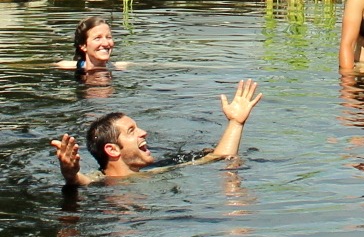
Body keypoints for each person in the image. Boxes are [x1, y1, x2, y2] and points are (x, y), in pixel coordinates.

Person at [50, 79, 262, 186]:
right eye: (132, 131)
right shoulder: (100, 181)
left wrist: (235, 123)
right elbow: (81, 181)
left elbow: (219, 158)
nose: (144, 132)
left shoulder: (156, 172)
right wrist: (70, 174)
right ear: (112, 149)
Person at [54, 16, 129, 73]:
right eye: (97, 38)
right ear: (83, 46)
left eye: (108, 37)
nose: (106, 43)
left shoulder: (122, 67)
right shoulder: (66, 66)